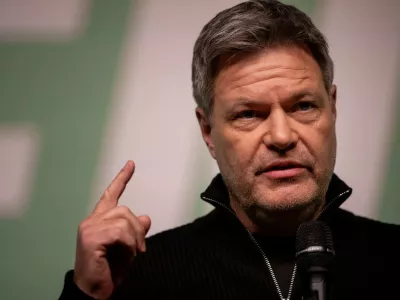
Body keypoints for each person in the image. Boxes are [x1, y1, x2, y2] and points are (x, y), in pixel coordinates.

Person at [59, 1, 400, 299]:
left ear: (333, 107)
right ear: (208, 131)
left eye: (303, 106)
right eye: (249, 114)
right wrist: (87, 296)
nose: (281, 136)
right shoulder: (139, 276)